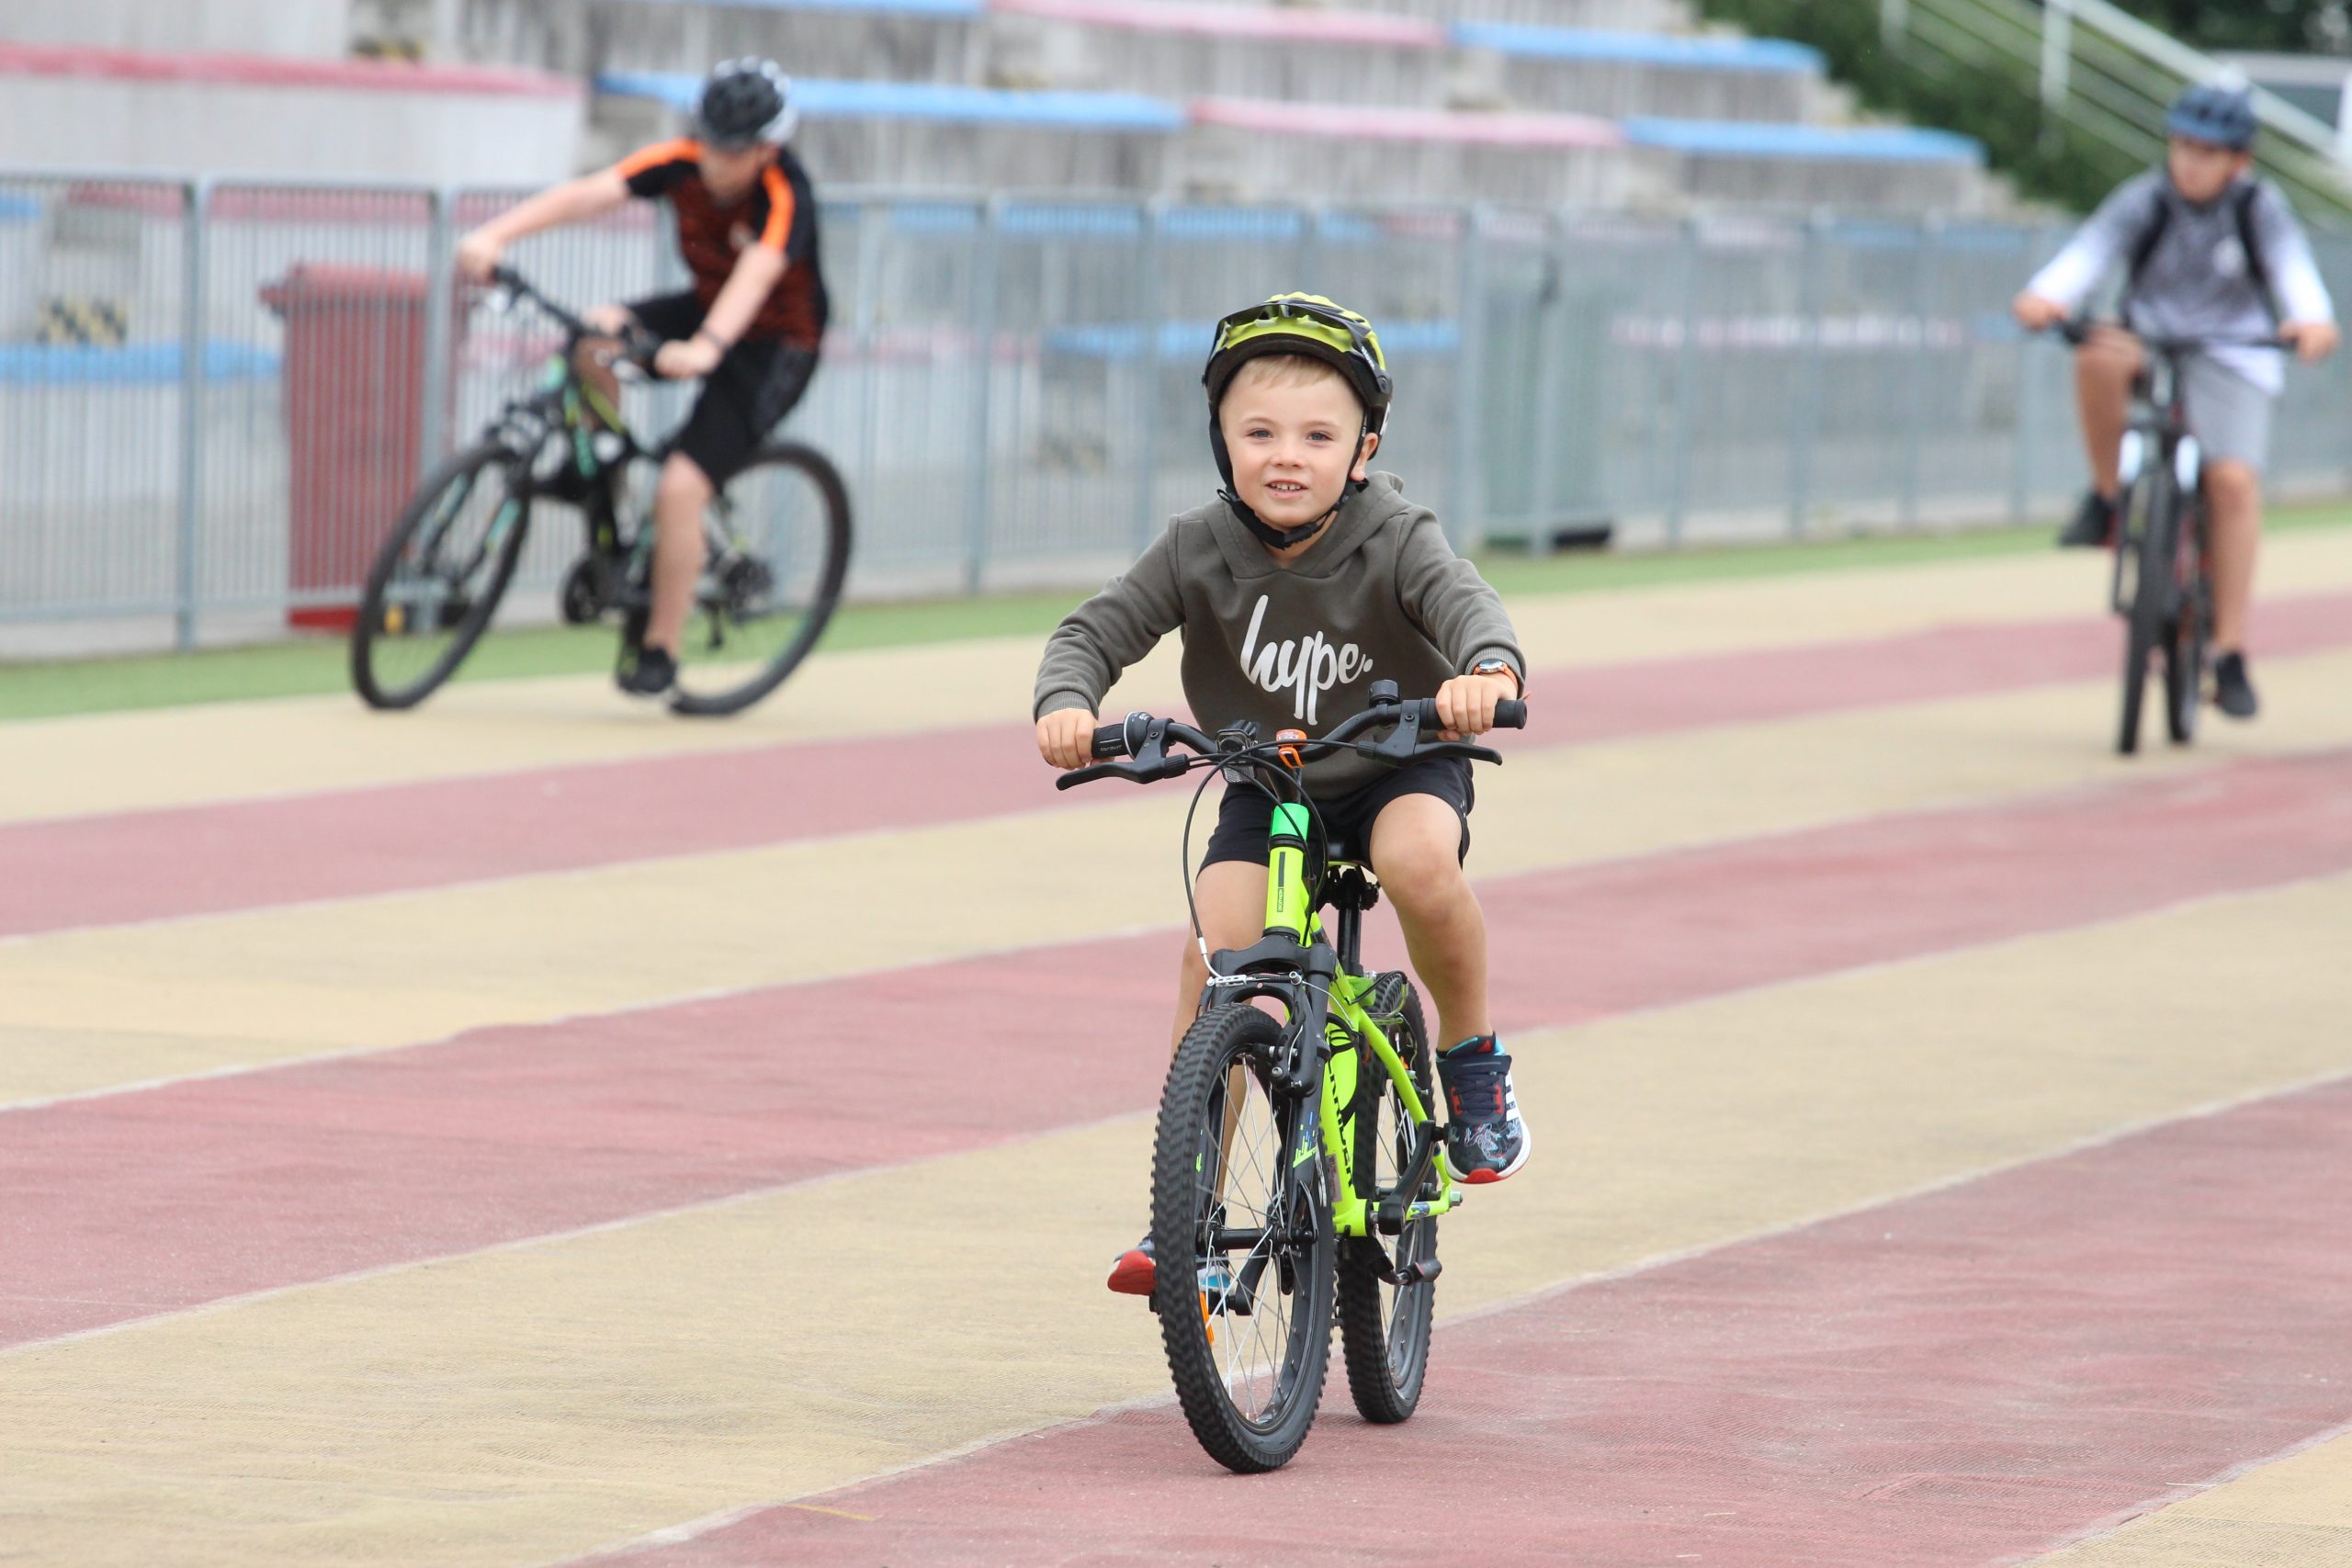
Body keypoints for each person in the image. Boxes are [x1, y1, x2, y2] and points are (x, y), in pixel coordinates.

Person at [1031, 294, 1533, 1296]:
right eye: (1258, 433)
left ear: (1363, 448)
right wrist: (1067, 701)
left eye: (1317, 435)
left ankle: (1472, 1060)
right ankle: (1192, 1218)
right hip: (1270, 782)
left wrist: (1487, 670)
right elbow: (1092, 633)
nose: (1286, 456)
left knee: (1416, 864)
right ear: (1222, 443)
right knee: (1214, 957)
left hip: (1400, 759)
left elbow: (1467, 605)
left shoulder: (1396, 534)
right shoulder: (1196, 545)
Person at [455, 59, 829, 699]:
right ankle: (598, 466)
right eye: (708, 138)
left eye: (733, 149)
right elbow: (588, 194)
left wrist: (706, 347)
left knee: (682, 487)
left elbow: (758, 274)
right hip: (708, 305)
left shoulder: (784, 196)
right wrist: (495, 235)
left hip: (774, 343)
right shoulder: (680, 161)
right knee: (593, 337)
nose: (714, 159)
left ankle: (662, 644)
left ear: (769, 147)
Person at [2013, 82, 2338, 720]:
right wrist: (2045, 294)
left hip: (2231, 350)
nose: (2190, 162)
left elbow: (2296, 273)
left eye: (2207, 151)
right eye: (2182, 146)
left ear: (2238, 161)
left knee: (2234, 483)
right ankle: (2109, 500)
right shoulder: (2145, 199)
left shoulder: (2259, 209)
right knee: (2098, 351)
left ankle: (2229, 651)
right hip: (2149, 337)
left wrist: (2312, 320)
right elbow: (2088, 255)